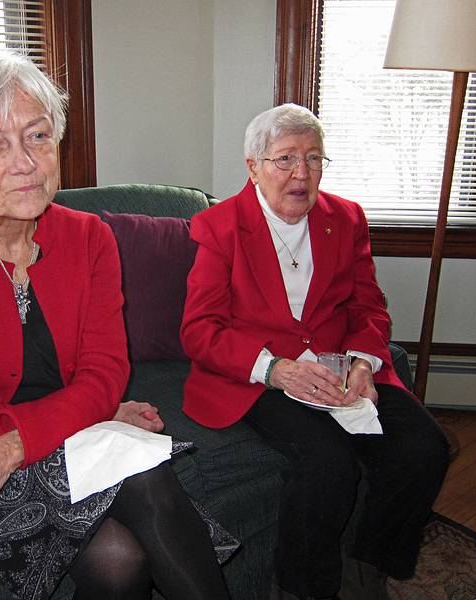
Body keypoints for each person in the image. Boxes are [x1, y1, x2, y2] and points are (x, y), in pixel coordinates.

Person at [0, 50, 232, 600]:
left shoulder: (90, 238)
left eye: (38, 136)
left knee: (119, 554)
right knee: (133, 498)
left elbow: (106, 374)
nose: (25, 162)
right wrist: (88, 418)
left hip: (39, 441)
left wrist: (65, 423)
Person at [180, 103, 450, 600]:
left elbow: (370, 306)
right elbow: (199, 330)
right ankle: (301, 588)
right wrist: (274, 369)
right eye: (284, 159)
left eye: (314, 159)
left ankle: (370, 563)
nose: (301, 174)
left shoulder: (344, 218)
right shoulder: (219, 227)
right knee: (327, 463)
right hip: (261, 375)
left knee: (426, 448)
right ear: (253, 167)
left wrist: (365, 363)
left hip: (340, 369)